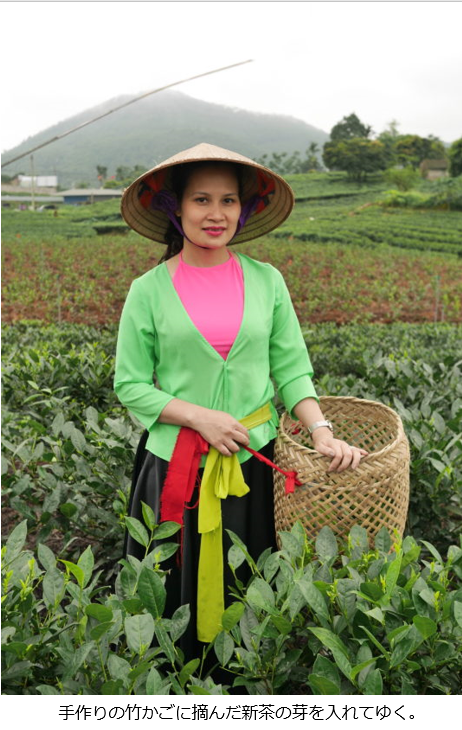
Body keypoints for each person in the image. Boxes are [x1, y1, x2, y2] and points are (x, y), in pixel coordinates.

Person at [114, 142, 368, 667]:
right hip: (175, 467)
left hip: (254, 465)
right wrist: (198, 416)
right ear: (176, 208)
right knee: (170, 600)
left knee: (251, 594)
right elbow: (131, 384)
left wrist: (321, 431)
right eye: (202, 200)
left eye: (228, 200)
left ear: (243, 209)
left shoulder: (267, 281)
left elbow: (292, 371)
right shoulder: (148, 290)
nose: (216, 213)